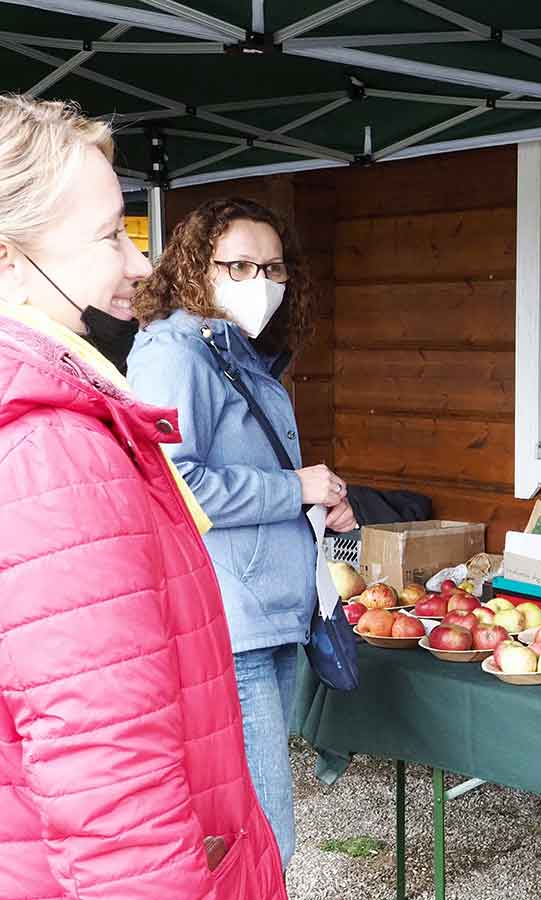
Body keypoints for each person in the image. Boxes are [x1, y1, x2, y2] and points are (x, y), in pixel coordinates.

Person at [0, 95, 286, 899]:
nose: (137, 263)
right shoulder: (48, 449)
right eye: (106, 237)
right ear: (6, 260)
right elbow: (107, 773)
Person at [127, 197, 356, 869]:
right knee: (264, 834)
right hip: (231, 622)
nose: (262, 282)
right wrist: (294, 489)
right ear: (199, 266)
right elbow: (172, 483)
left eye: (275, 267)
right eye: (241, 265)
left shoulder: (235, 351)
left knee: (251, 824)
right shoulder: (176, 353)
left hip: (265, 612)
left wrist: (317, 505)